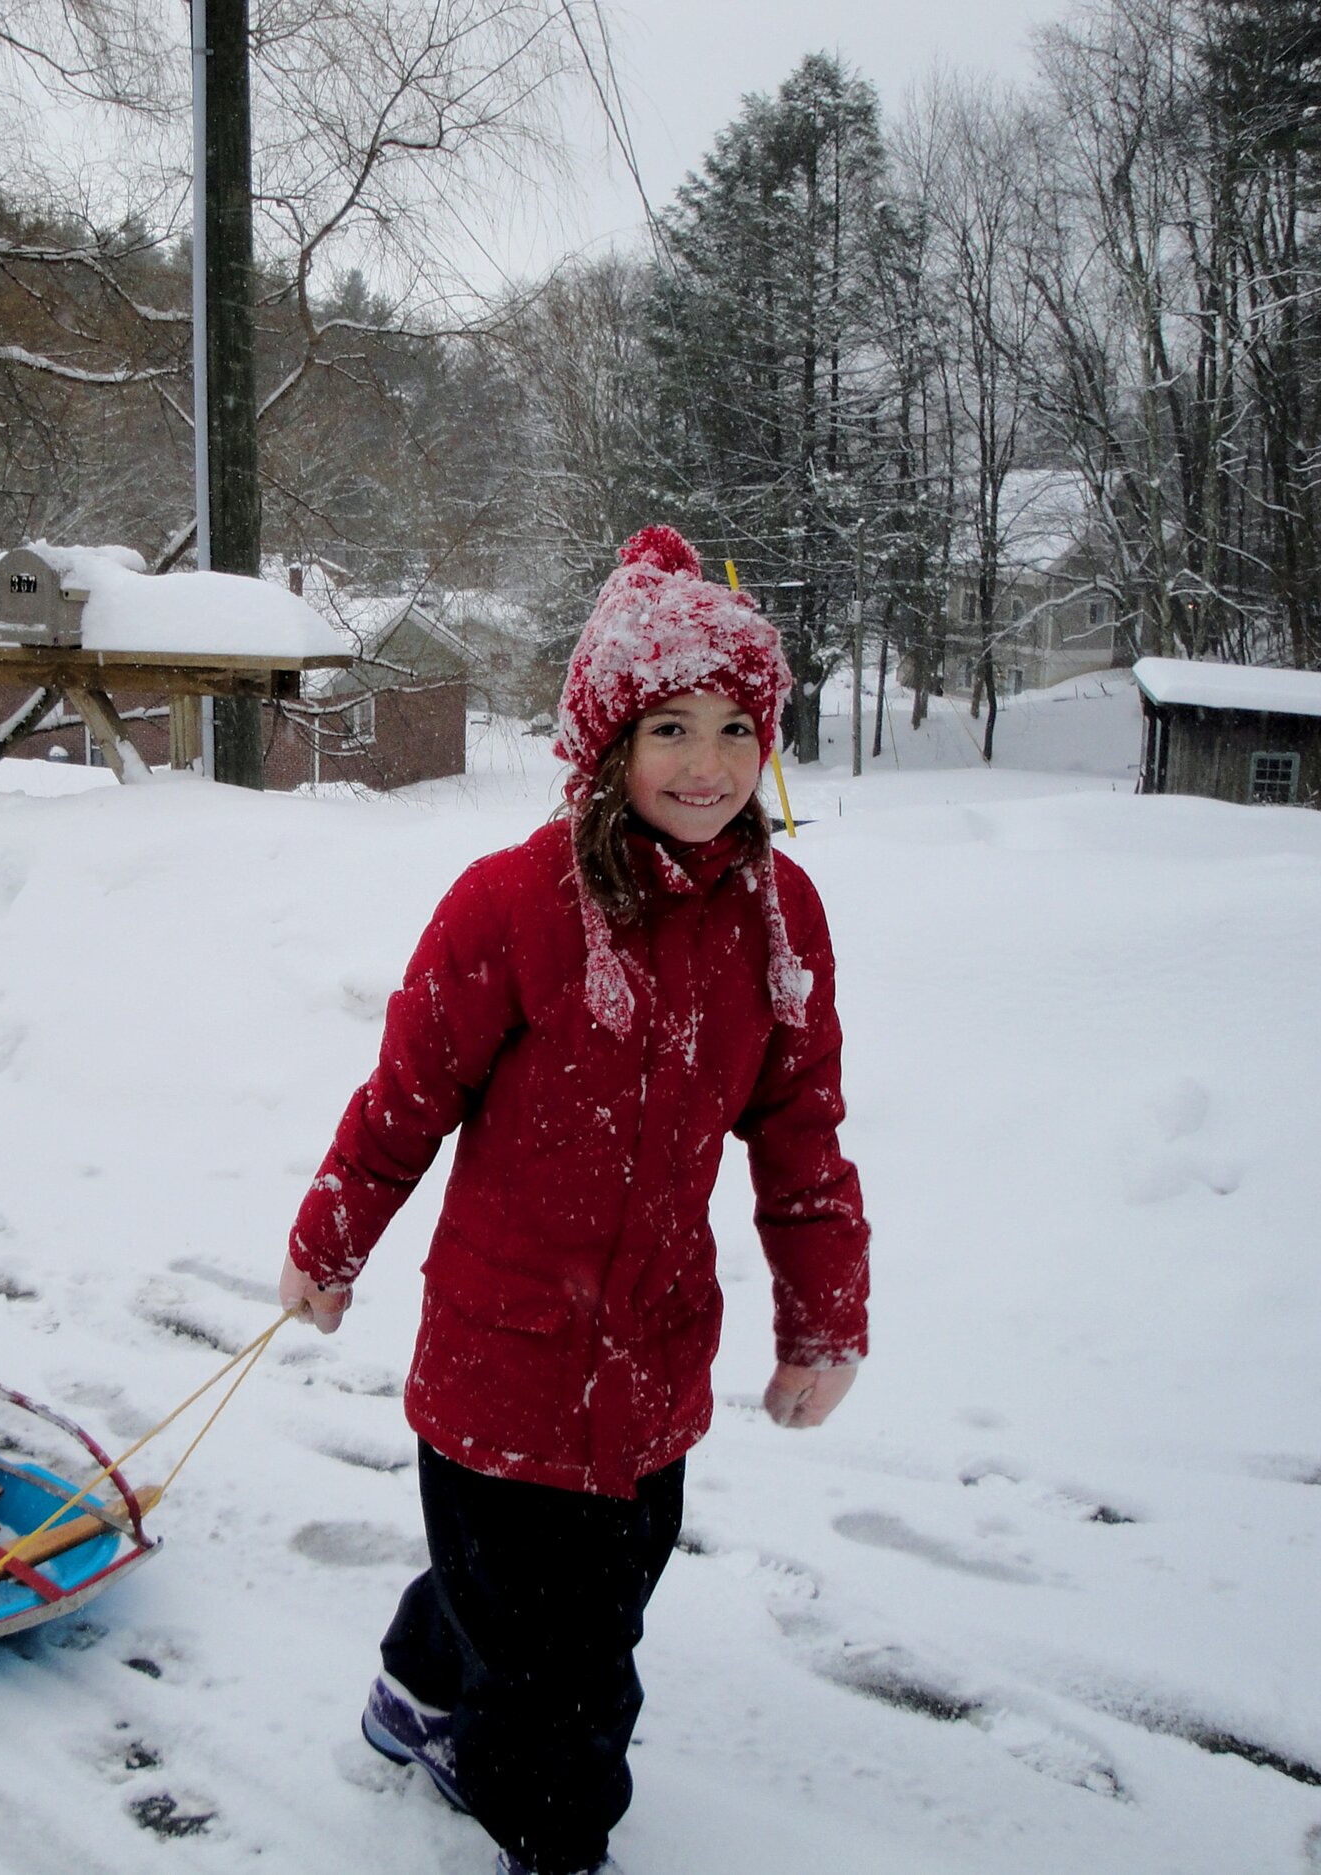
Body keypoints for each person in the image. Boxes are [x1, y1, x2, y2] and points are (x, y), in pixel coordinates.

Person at [277, 525, 871, 1875]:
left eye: (736, 727)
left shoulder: (782, 920)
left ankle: (416, 1697)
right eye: (672, 726)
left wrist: (824, 1315)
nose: (709, 764)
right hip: (501, 1367)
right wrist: (331, 1243)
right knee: (571, 1674)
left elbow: (800, 1131)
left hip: (655, 1363)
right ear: (610, 739)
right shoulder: (510, 909)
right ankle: (549, 1839)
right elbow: (405, 1102)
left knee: (573, 1597)